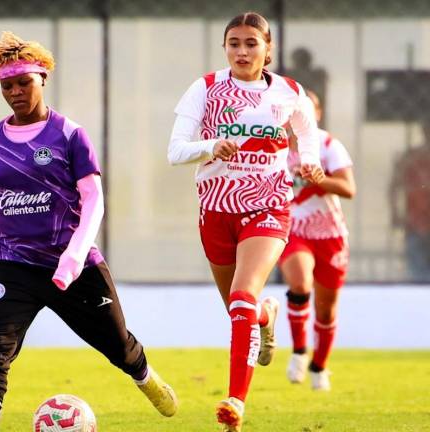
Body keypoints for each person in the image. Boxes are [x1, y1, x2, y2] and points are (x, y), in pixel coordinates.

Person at [0, 31, 178, 432]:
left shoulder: (69, 135)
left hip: (74, 267)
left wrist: (74, 255)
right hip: (13, 265)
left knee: (118, 346)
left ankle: (144, 375)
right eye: (7, 85)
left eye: (24, 83)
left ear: (42, 80)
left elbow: (94, 199)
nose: (16, 92)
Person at [166, 12, 324, 431]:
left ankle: (235, 402)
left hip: (268, 205)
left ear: (267, 48)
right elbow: (175, 150)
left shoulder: (289, 91)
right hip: (216, 210)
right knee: (241, 312)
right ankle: (266, 319)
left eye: (251, 43)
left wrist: (307, 161)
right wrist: (210, 146)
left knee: (241, 295)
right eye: (233, 43)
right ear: (225, 48)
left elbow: (308, 131)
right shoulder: (206, 88)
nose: (241, 51)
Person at [279, 90, 356, 391]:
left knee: (326, 309)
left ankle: (319, 366)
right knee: (299, 284)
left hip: (330, 234)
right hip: (294, 229)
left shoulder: (328, 145)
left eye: (307, 111)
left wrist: (318, 178)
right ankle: (299, 351)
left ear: (317, 115)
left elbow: (349, 189)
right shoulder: (276, 148)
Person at [389, 117, 430, 282]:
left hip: (415, 222)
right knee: (417, 273)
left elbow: (393, 188)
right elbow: (393, 188)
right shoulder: (411, 157)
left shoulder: (411, 157)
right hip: (415, 223)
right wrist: (396, 214)